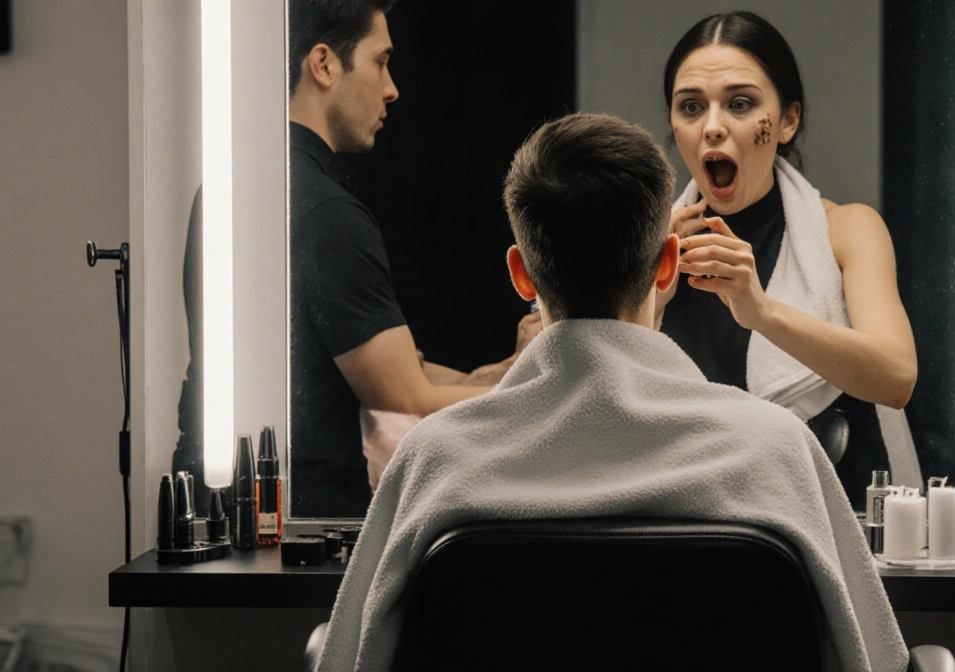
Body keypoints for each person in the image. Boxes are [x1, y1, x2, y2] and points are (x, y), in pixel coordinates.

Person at [315, 114, 908, 672]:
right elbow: (874, 659)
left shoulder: (433, 460)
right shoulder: (779, 453)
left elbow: (349, 657)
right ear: (668, 266)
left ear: (522, 274)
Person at [656, 12, 922, 508]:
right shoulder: (650, 250)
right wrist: (645, 291)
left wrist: (762, 311)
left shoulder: (847, 229)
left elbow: (896, 376)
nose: (712, 127)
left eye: (740, 104)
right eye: (690, 107)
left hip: (824, 513)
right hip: (687, 523)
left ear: (786, 121)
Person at [287, 0, 539, 517]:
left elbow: (401, 371)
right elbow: (406, 398)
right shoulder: (327, 213)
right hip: (313, 523)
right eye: (380, 61)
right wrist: (541, 392)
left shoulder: (239, 191)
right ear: (324, 64)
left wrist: (499, 376)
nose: (392, 88)